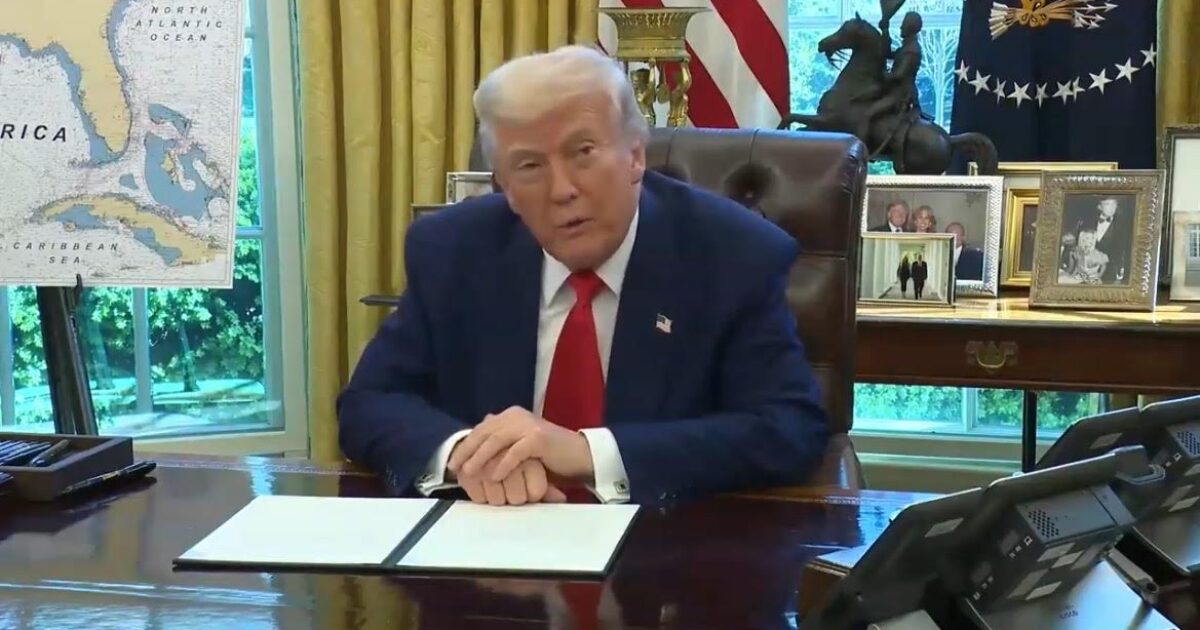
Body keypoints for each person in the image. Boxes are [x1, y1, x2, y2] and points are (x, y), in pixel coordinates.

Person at [336, 45, 830, 507]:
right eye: (529, 166)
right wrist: (471, 455)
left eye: (583, 152)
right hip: (493, 543)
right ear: (505, 188)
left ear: (635, 155)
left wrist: (585, 453)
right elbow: (370, 402)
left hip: (665, 549)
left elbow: (787, 428)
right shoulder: (453, 252)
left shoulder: (733, 254)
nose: (562, 190)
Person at [855, 11, 931, 142]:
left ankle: (860, 149)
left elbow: (899, 75)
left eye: (903, 24)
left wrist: (880, 75)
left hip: (900, 94)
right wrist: (885, 30)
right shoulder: (906, 47)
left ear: (910, 27)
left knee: (868, 114)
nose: (901, 27)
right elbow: (888, 54)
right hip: (894, 90)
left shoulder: (912, 50)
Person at [1073, 197, 1129, 284]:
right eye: (1107, 204)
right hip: (1085, 269)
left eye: (1114, 204)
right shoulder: (1087, 222)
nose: (1112, 207)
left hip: (1109, 273)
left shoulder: (1122, 226)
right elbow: (1080, 243)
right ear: (1099, 206)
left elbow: (1120, 252)